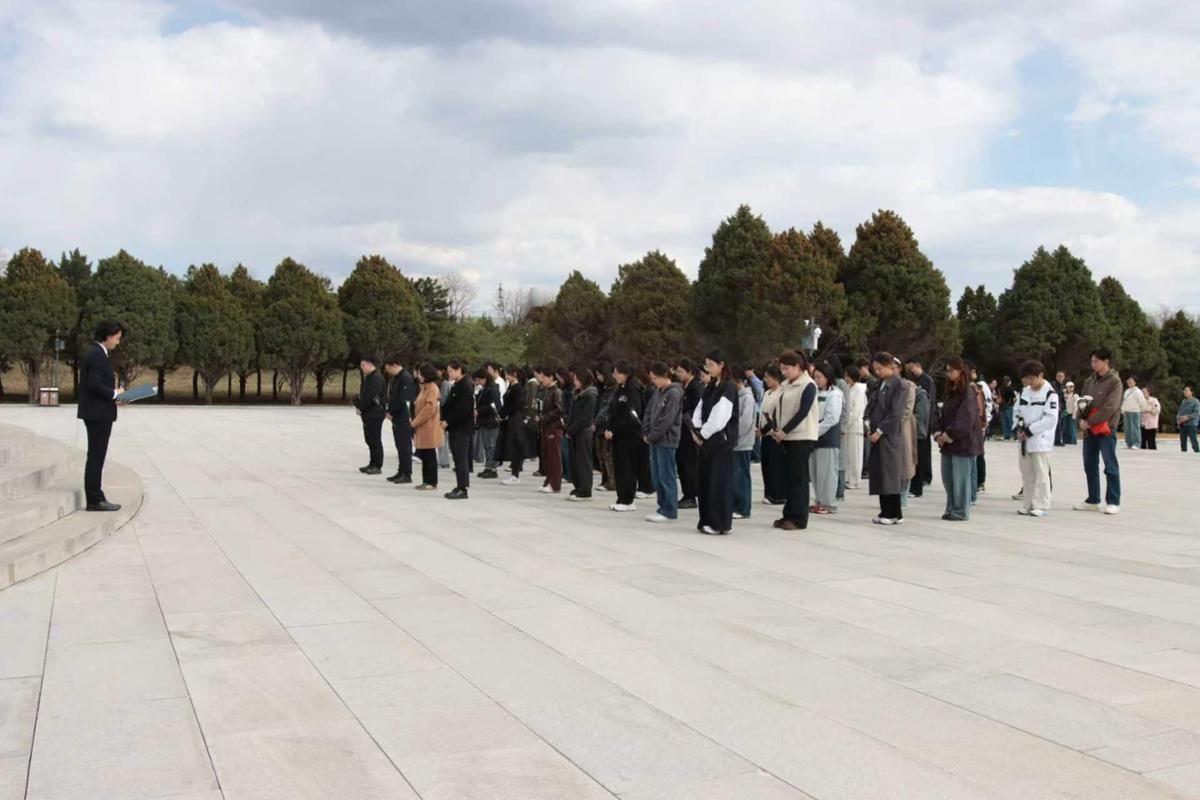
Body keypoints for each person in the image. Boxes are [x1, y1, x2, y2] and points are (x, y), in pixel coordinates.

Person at [78, 320, 126, 512]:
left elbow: (98, 386)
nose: (118, 342)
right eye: (117, 338)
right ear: (108, 335)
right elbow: (94, 384)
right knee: (96, 456)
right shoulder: (96, 355)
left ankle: (96, 497)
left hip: (99, 411)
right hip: (97, 414)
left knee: (96, 455)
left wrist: (115, 397)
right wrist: (114, 394)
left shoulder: (98, 353)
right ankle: (95, 499)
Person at [691, 352, 738, 535]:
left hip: (720, 442)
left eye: (711, 364)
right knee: (706, 481)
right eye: (706, 365)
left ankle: (721, 523)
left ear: (721, 364)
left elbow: (720, 417)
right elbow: (699, 409)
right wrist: (696, 429)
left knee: (719, 483)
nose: (708, 368)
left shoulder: (728, 387)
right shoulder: (711, 386)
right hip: (706, 442)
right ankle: (707, 519)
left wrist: (703, 434)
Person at [770, 350, 818, 531]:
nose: (783, 372)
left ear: (798, 366)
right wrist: (774, 429)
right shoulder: (786, 385)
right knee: (788, 478)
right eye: (782, 368)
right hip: (785, 437)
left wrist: (785, 430)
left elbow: (802, 412)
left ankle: (799, 518)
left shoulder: (808, 385)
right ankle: (788, 514)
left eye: (786, 368)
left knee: (799, 479)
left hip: (801, 437)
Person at [1074, 347, 1123, 515]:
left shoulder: (1115, 381)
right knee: (1089, 465)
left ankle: (1113, 501)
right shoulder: (1090, 381)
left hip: (1106, 430)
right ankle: (1093, 499)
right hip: (1089, 430)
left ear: (1106, 362)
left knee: (1110, 465)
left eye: (1096, 361)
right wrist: (1081, 419)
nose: (1093, 364)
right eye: (1092, 361)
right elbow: (1082, 402)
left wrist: (1090, 421)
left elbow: (1111, 407)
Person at [934, 358, 982, 521]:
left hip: (963, 443)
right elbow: (942, 414)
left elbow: (966, 418)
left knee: (961, 479)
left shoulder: (967, 391)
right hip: (948, 442)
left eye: (951, 370)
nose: (948, 373)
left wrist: (949, 434)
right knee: (948, 478)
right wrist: (938, 432)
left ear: (961, 371)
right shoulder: (950, 391)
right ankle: (951, 507)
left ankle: (961, 510)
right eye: (947, 370)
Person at [1013, 360, 1059, 517]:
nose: (1029, 382)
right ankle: (1028, 503)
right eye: (1026, 379)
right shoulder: (1025, 392)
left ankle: (1041, 505)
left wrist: (1030, 431)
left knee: (1041, 473)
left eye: (1031, 378)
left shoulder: (1050, 394)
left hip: (1040, 440)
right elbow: (1017, 410)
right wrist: (1018, 427)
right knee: (1026, 473)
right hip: (1023, 439)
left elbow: (1050, 418)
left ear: (1040, 375)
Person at [868, 353, 907, 525]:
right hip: (876, 434)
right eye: (875, 369)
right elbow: (871, 405)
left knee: (890, 473)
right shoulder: (879, 383)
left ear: (890, 366)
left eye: (880, 368)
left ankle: (893, 513)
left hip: (889, 436)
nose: (877, 372)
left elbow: (895, 412)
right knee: (880, 473)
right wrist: (867, 425)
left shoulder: (899, 384)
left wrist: (880, 430)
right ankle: (885, 511)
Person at [643, 363, 683, 522]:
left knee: (666, 475)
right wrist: (646, 431)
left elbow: (667, 419)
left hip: (666, 440)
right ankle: (662, 506)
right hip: (654, 439)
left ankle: (669, 509)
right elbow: (648, 412)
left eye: (655, 378)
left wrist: (653, 435)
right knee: (657, 475)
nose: (653, 381)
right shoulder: (657, 392)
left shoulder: (673, 393)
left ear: (664, 376)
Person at [605, 362, 644, 512]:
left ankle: (628, 499)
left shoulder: (633, 389)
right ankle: (621, 498)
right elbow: (613, 410)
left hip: (629, 435)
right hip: (618, 435)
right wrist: (608, 427)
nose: (614, 376)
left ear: (625, 373)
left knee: (628, 468)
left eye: (617, 373)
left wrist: (615, 429)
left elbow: (631, 414)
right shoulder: (619, 389)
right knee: (620, 468)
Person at [809, 362, 843, 515]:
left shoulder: (835, 394)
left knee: (827, 473)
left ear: (828, 377)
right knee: (815, 473)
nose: (816, 380)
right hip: (814, 438)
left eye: (819, 377)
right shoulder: (816, 392)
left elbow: (832, 418)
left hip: (827, 438)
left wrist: (815, 431)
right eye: (815, 377)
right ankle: (819, 501)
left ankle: (829, 503)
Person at [442, 362, 474, 500]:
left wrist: (448, 421)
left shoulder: (466, 385)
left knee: (461, 458)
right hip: (455, 427)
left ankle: (463, 488)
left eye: (451, 371)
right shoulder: (457, 384)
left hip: (462, 427)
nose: (449, 374)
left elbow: (463, 410)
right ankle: (459, 485)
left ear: (459, 370)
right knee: (457, 457)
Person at [383, 356, 417, 484]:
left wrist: (392, 412)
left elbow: (404, 400)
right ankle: (401, 470)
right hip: (396, 417)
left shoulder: (406, 378)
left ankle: (407, 473)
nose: (387, 371)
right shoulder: (397, 378)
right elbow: (393, 397)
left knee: (405, 446)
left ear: (395, 365)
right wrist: (389, 410)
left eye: (388, 368)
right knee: (399, 446)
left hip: (403, 417)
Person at [566, 368, 598, 501]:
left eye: (576, 379)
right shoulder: (577, 393)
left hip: (583, 432)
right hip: (574, 431)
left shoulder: (590, 395)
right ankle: (578, 486)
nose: (574, 381)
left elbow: (585, 418)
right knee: (575, 462)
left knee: (583, 462)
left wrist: (571, 429)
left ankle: (585, 490)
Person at [903, 357, 934, 490]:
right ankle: (922, 476)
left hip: (924, 419)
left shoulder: (927, 380)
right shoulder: (913, 380)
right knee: (919, 451)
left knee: (924, 450)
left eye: (911, 368)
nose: (910, 371)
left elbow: (929, 401)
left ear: (917, 366)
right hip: (916, 419)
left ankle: (926, 476)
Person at [674, 359, 702, 510]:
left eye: (681, 371)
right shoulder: (684, 386)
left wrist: (683, 417)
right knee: (682, 463)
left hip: (689, 430)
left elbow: (696, 410)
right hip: (681, 430)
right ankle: (687, 493)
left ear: (689, 371)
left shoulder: (695, 388)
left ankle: (691, 495)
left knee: (689, 464)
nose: (678, 374)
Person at [411, 365, 444, 491]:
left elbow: (429, 409)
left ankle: (432, 481)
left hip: (429, 427)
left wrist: (415, 422)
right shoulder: (425, 387)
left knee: (429, 455)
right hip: (422, 426)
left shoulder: (433, 389)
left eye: (420, 374)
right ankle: (426, 480)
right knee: (424, 456)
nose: (418, 376)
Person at [759, 364, 787, 505]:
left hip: (774, 433)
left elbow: (775, 415)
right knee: (766, 464)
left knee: (776, 465)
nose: (765, 380)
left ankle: (778, 494)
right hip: (764, 434)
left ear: (776, 378)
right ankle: (769, 493)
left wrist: (765, 429)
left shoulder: (781, 393)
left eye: (768, 377)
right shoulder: (766, 393)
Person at [731, 369, 757, 520]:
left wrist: (733, 435)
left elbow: (745, 422)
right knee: (735, 476)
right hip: (734, 442)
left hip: (742, 442)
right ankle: (735, 505)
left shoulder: (747, 398)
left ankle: (743, 508)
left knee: (741, 476)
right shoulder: (736, 396)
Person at [498, 364, 530, 484]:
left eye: (508, 374)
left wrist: (503, 414)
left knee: (516, 446)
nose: (506, 377)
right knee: (513, 446)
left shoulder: (517, 388)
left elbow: (514, 405)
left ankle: (515, 474)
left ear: (514, 374)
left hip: (516, 419)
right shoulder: (512, 386)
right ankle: (514, 473)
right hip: (511, 418)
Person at [355, 356, 386, 475]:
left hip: (374, 414)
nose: (362, 368)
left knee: (375, 440)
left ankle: (377, 465)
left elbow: (371, 397)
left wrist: (361, 408)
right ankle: (372, 463)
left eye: (363, 365)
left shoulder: (376, 378)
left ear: (369, 364)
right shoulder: (370, 377)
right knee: (370, 439)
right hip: (369, 414)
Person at [537, 367, 565, 494]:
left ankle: (555, 484)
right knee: (547, 456)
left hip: (554, 427)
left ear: (551, 377)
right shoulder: (547, 391)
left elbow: (559, 409)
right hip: (546, 426)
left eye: (544, 377)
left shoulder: (556, 391)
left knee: (554, 457)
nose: (541, 379)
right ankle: (549, 481)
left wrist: (544, 417)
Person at [842, 366, 867, 491]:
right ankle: (849, 478)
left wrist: (846, 424)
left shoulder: (860, 389)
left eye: (848, 376)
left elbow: (856, 410)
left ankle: (855, 480)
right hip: (848, 427)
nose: (846, 378)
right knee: (849, 455)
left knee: (855, 455)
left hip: (855, 426)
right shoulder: (849, 388)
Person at [473, 368, 502, 479]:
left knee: (491, 445)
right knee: (486, 445)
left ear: (485, 378)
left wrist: (479, 410)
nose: (478, 382)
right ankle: (488, 466)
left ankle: (492, 468)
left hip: (491, 421)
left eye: (479, 380)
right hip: (484, 421)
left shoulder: (493, 389)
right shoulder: (484, 389)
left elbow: (493, 405)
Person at [593, 363, 617, 492]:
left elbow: (607, 408)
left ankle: (612, 482)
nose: (598, 377)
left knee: (607, 455)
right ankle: (605, 480)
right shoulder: (604, 389)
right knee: (601, 455)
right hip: (600, 426)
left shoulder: (613, 390)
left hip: (606, 425)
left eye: (600, 375)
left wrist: (596, 421)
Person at [970, 365, 993, 494]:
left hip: (980, 425)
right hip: (978, 424)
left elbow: (986, 407)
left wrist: (984, 424)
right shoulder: (976, 385)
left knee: (978, 454)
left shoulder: (981, 386)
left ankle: (980, 482)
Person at [907, 373, 930, 499]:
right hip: (910, 432)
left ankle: (916, 489)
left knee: (918, 462)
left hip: (919, 433)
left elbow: (921, 416)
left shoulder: (921, 395)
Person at [745, 365, 765, 463]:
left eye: (748, 370)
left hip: (756, 409)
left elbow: (760, 396)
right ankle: (754, 454)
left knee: (755, 433)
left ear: (752, 370)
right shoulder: (748, 381)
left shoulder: (756, 381)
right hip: (753, 408)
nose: (747, 373)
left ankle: (757, 455)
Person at [1121, 376, 1147, 450]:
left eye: (1131, 380)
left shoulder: (1138, 391)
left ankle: (1136, 443)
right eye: (1128, 380)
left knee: (1135, 428)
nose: (1129, 382)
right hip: (1127, 411)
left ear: (1135, 382)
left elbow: (1142, 402)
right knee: (1127, 428)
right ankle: (1129, 443)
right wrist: (1123, 409)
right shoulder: (1126, 391)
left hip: (1135, 411)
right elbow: (1124, 401)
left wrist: (1142, 409)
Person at [1178, 386, 1200, 453]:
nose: (1184, 392)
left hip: (1191, 425)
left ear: (1191, 392)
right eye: (1184, 390)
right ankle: (1183, 456)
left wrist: (1187, 417)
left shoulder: (1196, 401)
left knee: (1194, 442)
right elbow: (1180, 411)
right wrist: (1179, 419)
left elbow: (1196, 413)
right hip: (1183, 425)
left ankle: (1197, 455)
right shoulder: (1183, 401)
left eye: (1187, 390)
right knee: (1183, 443)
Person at [1140, 385, 1160, 451]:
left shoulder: (1154, 400)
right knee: (1142, 442)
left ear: (1148, 393)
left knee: (1151, 441)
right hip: (1143, 424)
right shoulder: (1141, 401)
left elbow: (1157, 410)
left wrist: (1148, 410)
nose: (1142, 393)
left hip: (1151, 424)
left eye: (1144, 392)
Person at [1052, 370, 1068, 446]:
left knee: (1062, 424)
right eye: (1058, 376)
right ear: (1056, 377)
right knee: (1058, 424)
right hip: (1056, 407)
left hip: (1063, 407)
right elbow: (1054, 395)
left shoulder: (1064, 385)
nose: (1060, 377)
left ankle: (1059, 439)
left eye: (1061, 376)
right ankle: (1057, 440)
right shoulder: (1053, 384)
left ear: (1064, 377)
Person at [999, 376, 1017, 441]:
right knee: (1010, 421)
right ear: (1009, 382)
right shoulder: (1010, 389)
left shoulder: (1001, 389)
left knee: (1004, 422)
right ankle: (1013, 435)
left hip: (1002, 406)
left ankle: (1006, 435)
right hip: (1009, 406)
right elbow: (1014, 397)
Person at [1062, 380, 1078, 445]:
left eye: (1072, 387)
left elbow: (1076, 405)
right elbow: (1064, 404)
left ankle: (1072, 441)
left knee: (1072, 428)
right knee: (1065, 427)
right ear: (1067, 387)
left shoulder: (1075, 395)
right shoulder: (1065, 395)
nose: (1071, 388)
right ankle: (1065, 440)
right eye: (1069, 387)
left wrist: (1074, 415)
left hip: (1072, 413)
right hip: (1065, 412)